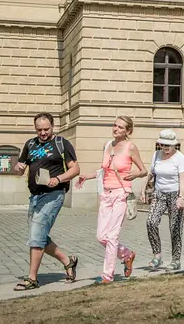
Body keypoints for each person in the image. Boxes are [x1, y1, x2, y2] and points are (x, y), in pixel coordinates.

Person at [13, 112, 80, 291]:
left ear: (53, 126)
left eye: (46, 129)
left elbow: (75, 169)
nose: (42, 133)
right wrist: (18, 168)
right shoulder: (30, 144)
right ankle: (68, 262)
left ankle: (32, 279)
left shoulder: (62, 144)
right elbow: (21, 168)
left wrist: (58, 179)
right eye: (39, 130)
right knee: (40, 236)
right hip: (35, 196)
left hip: (54, 194)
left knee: (36, 236)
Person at [76, 116, 147, 284]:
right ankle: (127, 255)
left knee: (112, 236)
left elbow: (143, 170)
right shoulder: (108, 145)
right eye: (114, 125)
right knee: (101, 236)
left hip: (121, 194)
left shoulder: (130, 147)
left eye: (120, 127)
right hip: (106, 195)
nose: (116, 129)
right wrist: (87, 176)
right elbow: (103, 170)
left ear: (128, 131)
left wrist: (135, 174)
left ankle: (107, 275)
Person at [141, 129, 184, 271]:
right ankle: (157, 256)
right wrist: (143, 189)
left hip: (175, 194)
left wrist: (181, 197)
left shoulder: (179, 157)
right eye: (163, 144)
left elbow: (182, 178)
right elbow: (151, 173)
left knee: (175, 228)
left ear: (174, 145)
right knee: (151, 222)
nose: (165, 147)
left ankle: (176, 259)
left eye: (168, 145)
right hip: (159, 193)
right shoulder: (156, 155)